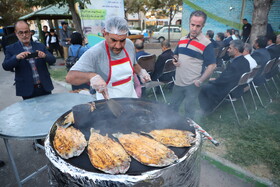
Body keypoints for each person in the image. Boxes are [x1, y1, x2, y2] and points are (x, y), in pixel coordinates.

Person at [65, 17, 151, 100]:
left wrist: (141, 72)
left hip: (130, 97)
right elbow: (70, 77)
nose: (118, 46)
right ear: (105, 34)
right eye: (113, 40)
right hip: (109, 102)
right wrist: (91, 76)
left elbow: (133, 64)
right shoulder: (95, 52)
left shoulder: (129, 44)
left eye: (122, 40)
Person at [170, 10, 216, 119]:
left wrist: (200, 80)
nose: (194, 28)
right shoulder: (182, 40)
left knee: (189, 111)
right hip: (178, 82)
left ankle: (191, 132)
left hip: (193, 84)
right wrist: (174, 60)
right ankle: (171, 129)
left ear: (203, 26)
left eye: (198, 26)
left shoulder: (206, 43)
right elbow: (175, 55)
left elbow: (212, 65)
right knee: (172, 108)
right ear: (189, 23)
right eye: (192, 25)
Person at [2, 20, 56, 100]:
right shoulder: (11, 49)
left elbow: (52, 60)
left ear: (30, 32)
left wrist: (44, 56)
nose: (24, 35)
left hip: (44, 87)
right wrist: (16, 58)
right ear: (16, 33)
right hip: (26, 89)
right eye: (21, 33)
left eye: (26, 32)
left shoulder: (40, 46)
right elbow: (6, 66)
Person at [199, 40, 250, 114]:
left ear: (236, 50)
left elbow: (223, 81)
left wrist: (212, 80)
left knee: (204, 88)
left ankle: (205, 110)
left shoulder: (235, 65)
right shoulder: (245, 61)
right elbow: (227, 78)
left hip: (230, 90)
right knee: (210, 85)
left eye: (229, 48)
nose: (228, 50)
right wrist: (217, 79)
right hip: (238, 88)